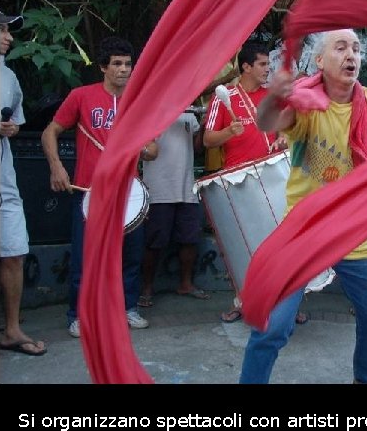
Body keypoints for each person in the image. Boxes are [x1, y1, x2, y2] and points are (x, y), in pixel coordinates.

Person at [242, 28, 367, 384]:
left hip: (355, 233)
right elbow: (268, 122)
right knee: (272, 327)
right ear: (319, 60)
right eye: (341, 47)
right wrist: (274, 98)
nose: (351, 55)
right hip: (303, 233)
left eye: (356, 49)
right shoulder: (306, 103)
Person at [42, 36, 158, 338]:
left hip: (128, 194)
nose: (124, 69)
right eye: (117, 64)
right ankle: (78, 314)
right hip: (88, 192)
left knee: (131, 256)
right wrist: (57, 167)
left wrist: (143, 148)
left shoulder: (138, 101)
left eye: (128, 64)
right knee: (86, 258)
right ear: (103, 67)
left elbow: (153, 149)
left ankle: (127, 308)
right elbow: (50, 132)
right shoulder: (81, 96)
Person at [201, 41, 305, 324]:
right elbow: (208, 140)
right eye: (262, 64)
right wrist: (228, 132)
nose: (267, 69)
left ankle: (287, 304)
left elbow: (287, 131)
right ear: (246, 67)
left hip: (272, 180)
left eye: (268, 64)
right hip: (238, 184)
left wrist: (282, 138)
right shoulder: (223, 98)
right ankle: (243, 301)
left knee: (280, 246)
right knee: (243, 246)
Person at [0, 10, 47, 356]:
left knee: (14, 252)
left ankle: (12, 329)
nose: (9, 37)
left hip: (5, 184)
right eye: (2, 30)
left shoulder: (9, 77)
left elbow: (15, 121)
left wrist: (13, 128)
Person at [139, 110, 208, 308]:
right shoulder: (149, 111)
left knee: (190, 239)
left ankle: (186, 284)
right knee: (154, 241)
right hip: (158, 188)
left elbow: (198, 148)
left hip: (186, 187)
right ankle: (146, 288)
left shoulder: (189, 113)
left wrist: (203, 126)